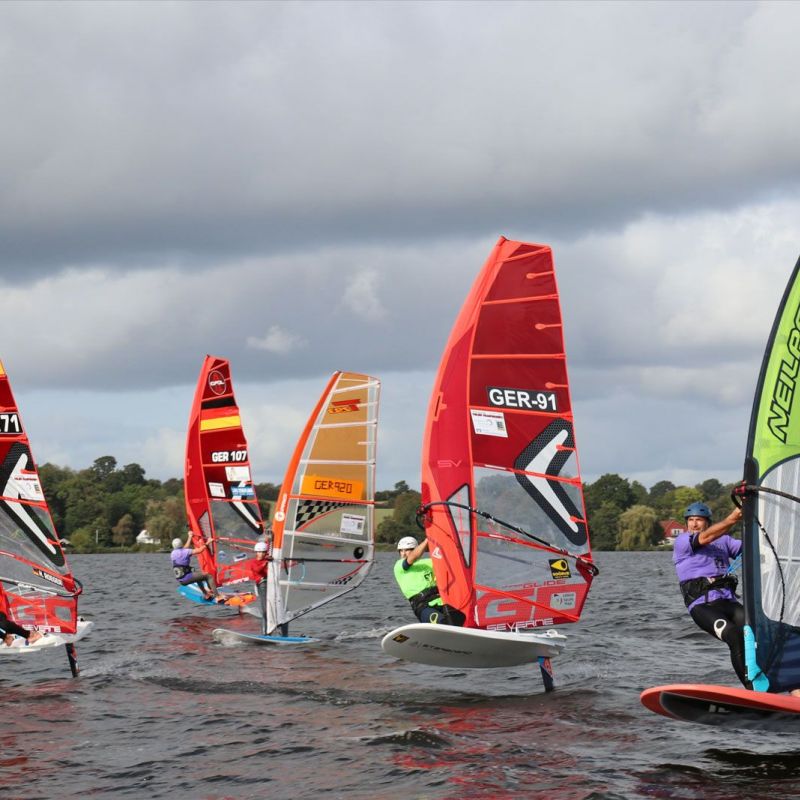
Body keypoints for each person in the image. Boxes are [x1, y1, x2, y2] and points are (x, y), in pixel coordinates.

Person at [673, 502, 748, 687]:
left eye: (699, 520)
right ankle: (753, 690)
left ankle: (785, 685)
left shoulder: (724, 541)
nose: (694, 524)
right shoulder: (683, 541)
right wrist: (733, 518)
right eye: (690, 520)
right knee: (734, 636)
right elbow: (705, 538)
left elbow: (752, 548)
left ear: (707, 522)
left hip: (729, 602)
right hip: (702, 606)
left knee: (762, 632)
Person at [393, 536, 465, 626]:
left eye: (407, 550)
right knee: (443, 623)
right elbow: (412, 558)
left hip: (441, 601)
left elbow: (449, 565)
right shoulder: (399, 566)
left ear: (416, 549)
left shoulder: (429, 562)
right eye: (401, 550)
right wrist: (428, 539)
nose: (403, 554)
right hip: (423, 606)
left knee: (461, 618)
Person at [170, 532, 224, 602]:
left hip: (181, 580)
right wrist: (208, 542)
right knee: (208, 576)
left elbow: (184, 549)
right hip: (187, 578)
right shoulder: (185, 551)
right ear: (181, 544)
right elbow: (199, 550)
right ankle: (218, 596)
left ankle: (206, 594)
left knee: (197, 576)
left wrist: (190, 537)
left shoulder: (173, 553)